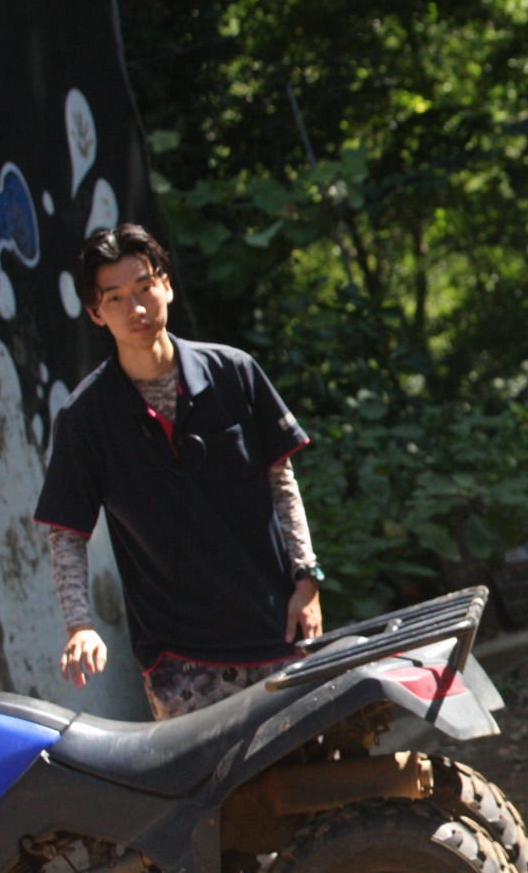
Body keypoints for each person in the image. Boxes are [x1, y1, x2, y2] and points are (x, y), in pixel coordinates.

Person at [34, 224, 324, 720]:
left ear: (166, 285)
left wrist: (306, 578)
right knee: (209, 772)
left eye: (144, 287)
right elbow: (67, 533)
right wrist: (79, 625)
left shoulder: (233, 372)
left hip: (277, 625)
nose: (136, 309)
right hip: (180, 657)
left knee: (319, 761)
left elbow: (281, 480)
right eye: (116, 298)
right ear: (95, 312)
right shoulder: (85, 418)